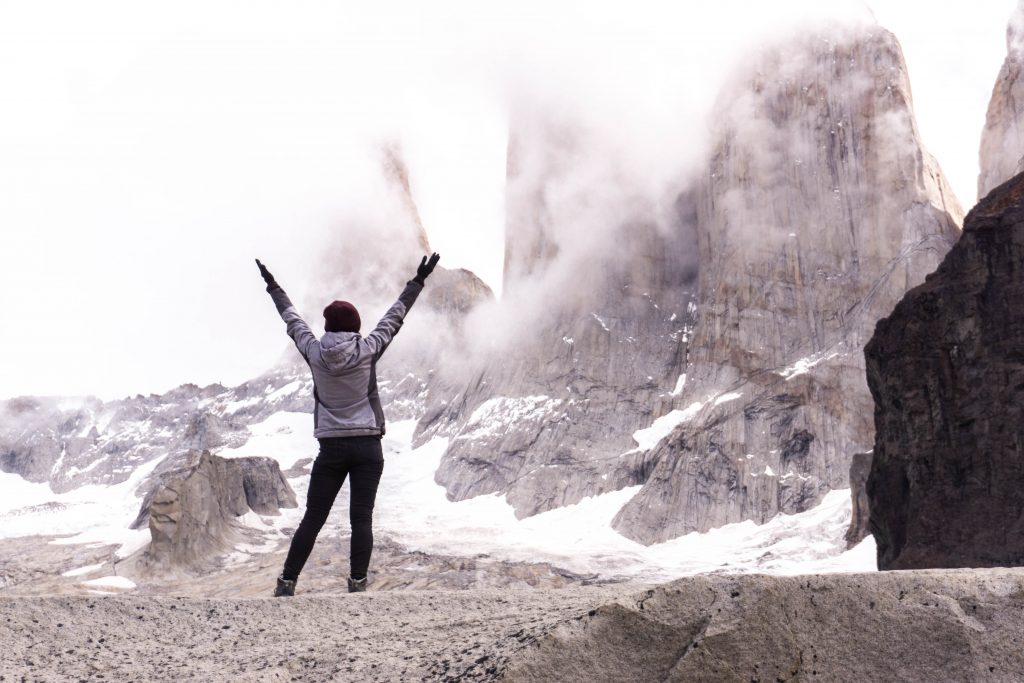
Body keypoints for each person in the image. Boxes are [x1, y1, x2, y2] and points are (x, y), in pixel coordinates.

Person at [256, 253, 440, 596]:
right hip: (368, 446)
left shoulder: (313, 351)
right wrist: (418, 281)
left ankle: (286, 583)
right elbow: (394, 316)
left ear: (326, 328)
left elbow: (291, 318)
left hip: (331, 448)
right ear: (356, 326)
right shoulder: (368, 349)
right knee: (361, 519)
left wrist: (273, 286)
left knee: (313, 518)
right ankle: (357, 584)